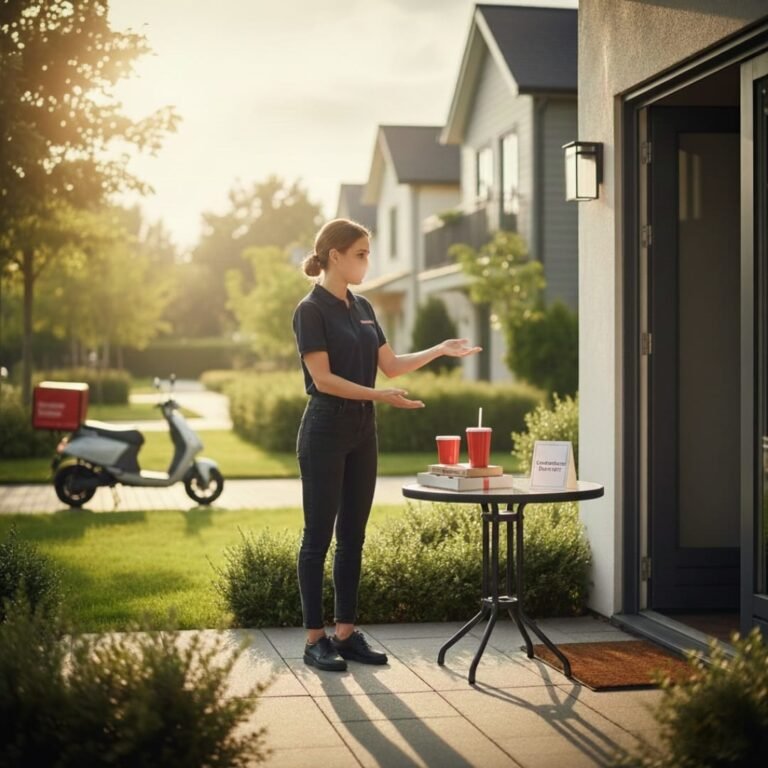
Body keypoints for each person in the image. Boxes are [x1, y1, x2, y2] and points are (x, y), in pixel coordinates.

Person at [292, 217, 481, 672]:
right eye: (360, 253)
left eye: (367, 253)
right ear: (334, 256)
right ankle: (315, 639)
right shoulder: (310, 309)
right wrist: (378, 395)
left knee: (353, 536)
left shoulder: (364, 307)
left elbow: (391, 366)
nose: (366, 261)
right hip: (324, 429)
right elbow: (323, 379)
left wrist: (438, 349)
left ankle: (345, 633)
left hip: (362, 431)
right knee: (318, 538)